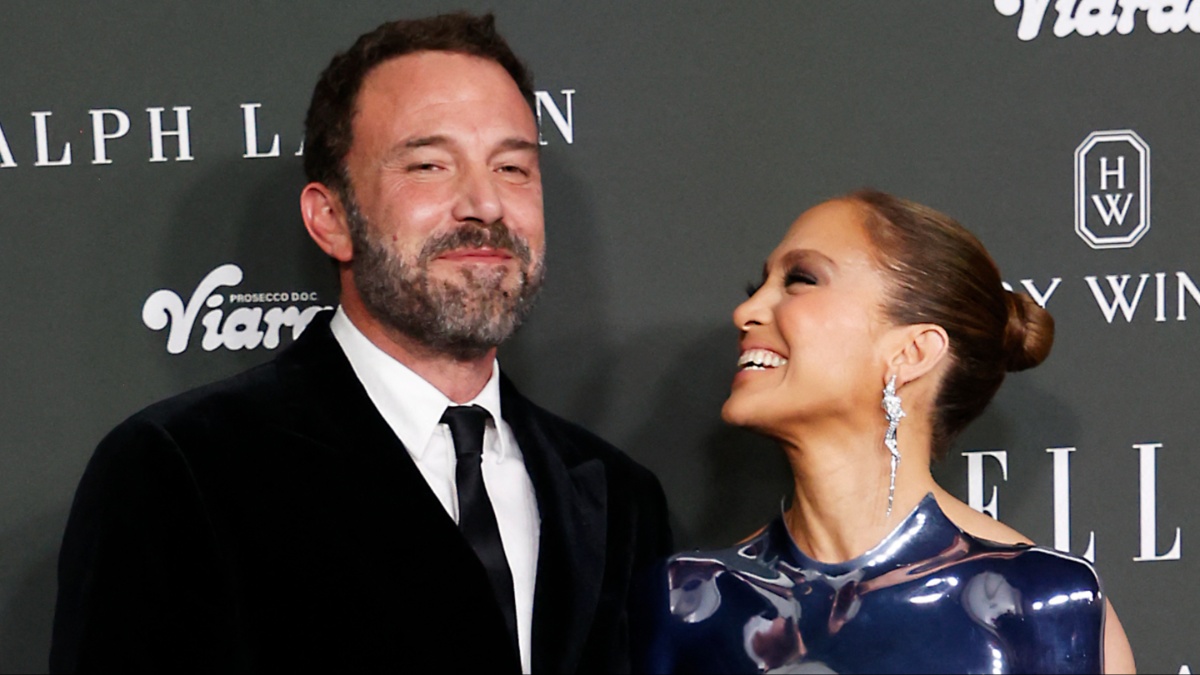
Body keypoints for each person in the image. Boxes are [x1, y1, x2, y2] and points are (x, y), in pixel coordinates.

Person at [51, 13, 671, 674]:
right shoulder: (180, 472)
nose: (486, 205)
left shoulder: (619, 497)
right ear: (331, 218)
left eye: (512, 167)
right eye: (430, 165)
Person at [635, 190, 1135, 673]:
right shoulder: (689, 601)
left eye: (801, 280)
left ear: (911, 352)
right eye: (758, 287)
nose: (746, 312)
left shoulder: (1046, 603)